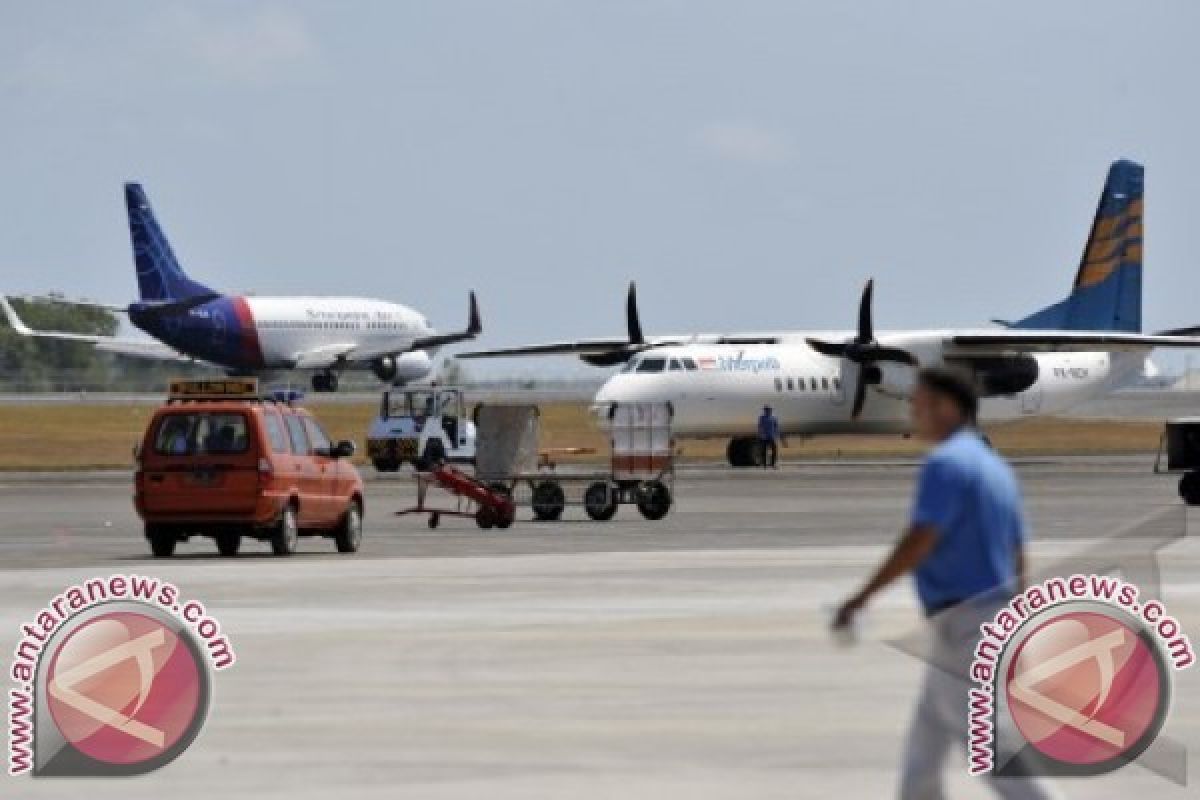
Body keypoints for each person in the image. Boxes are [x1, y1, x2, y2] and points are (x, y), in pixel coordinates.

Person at [832, 367, 1059, 800]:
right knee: (924, 752)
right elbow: (1018, 549)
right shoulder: (995, 467)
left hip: (965, 622)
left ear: (948, 408)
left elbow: (921, 538)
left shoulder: (946, 464)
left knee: (989, 750)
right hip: (981, 618)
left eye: (920, 405)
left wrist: (861, 598)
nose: (914, 414)